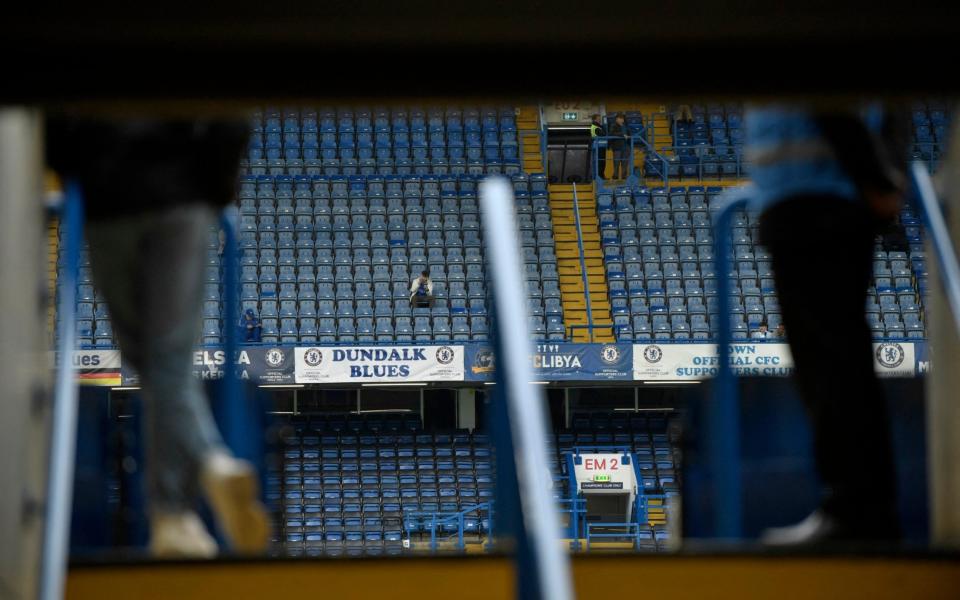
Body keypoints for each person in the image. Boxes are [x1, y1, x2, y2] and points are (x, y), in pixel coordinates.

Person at [47, 116, 270, 557]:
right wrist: (215, 191)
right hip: (181, 199)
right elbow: (231, 117)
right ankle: (195, 485)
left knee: (153, 362)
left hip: (111, 198)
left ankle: (179, 508)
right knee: (166, 362)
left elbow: (57, 118)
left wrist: (78, 169)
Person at [746, 104, 907, 545]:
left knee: (832, 365)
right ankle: (858, 508)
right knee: (833, 363)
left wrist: (876, 177)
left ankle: (855, 511)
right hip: (813, 199)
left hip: (817, 203)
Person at [608, 113, 630, 180]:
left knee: (624, 163)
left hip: (626, 147)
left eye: (621, 118)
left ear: (623, 120)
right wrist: (622, 135)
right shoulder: (613, 125)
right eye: (618, 118)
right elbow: (611, 133)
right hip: (617, 147)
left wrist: (629, 138)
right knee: (616, 163)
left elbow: (629, 134)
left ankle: (624, 177)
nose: (620, 120)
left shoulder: (626, 126)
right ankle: (615, 177)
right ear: (616, 119)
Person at [589, 113, 607, 180]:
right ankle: (599, 177)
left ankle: (601, 176)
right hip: (598, 147)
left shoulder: (599, 126)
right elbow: (604, 134)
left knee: (602, 162)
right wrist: (603, 127)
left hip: (601, 146)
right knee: (600, 162)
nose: (600, 119)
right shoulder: (595, 127)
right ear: (595, 119)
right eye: (599, 118)